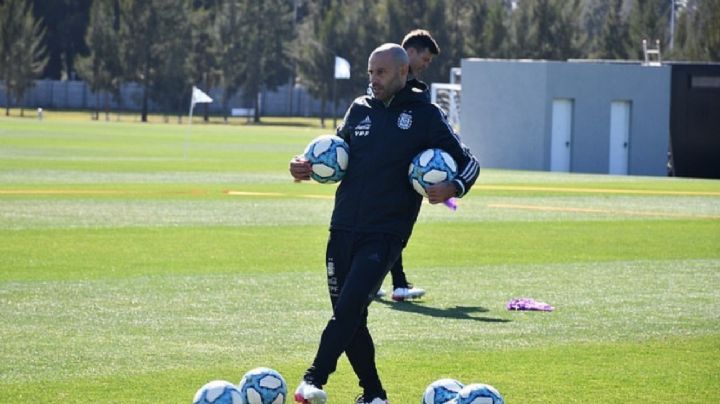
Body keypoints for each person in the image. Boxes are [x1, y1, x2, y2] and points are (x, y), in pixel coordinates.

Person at [289, 43, 479, 404]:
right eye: (370, 72)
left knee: (348, 309)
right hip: (341, 227)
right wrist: (304, 166)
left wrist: (454, 186)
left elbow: (469, 163)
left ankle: (312, 379)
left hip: (385, 234)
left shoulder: (426, 115)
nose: (373, 79)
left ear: (403, 72)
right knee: (351, 319)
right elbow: (334, 154)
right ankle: (374, 395)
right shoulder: (359, 110)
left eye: (381, 72)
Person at [379, 29, 441, 302]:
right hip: (400, 174)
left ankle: (386, 281)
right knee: (396, 229)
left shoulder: (408, 87)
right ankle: (398, 285)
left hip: (397, 171)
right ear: (411, 53)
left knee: (387, 229)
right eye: (425, 59)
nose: (427, 65)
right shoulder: (399, 89)